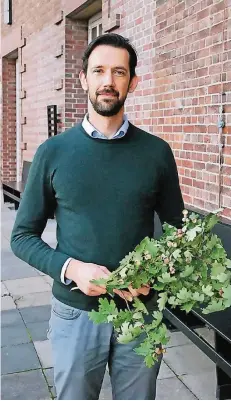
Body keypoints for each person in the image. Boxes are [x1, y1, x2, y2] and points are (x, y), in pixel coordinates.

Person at [11, 33, 184, 400]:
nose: (108, 81)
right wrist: (73, 268)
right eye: (99, 71)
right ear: (84, 79)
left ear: (133, 82)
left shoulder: (156, 153)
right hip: (76, 314)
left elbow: (177, 232)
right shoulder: (53, 153)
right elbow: (22, 236)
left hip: (140, 312)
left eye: (119, 72)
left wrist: (154, 274)